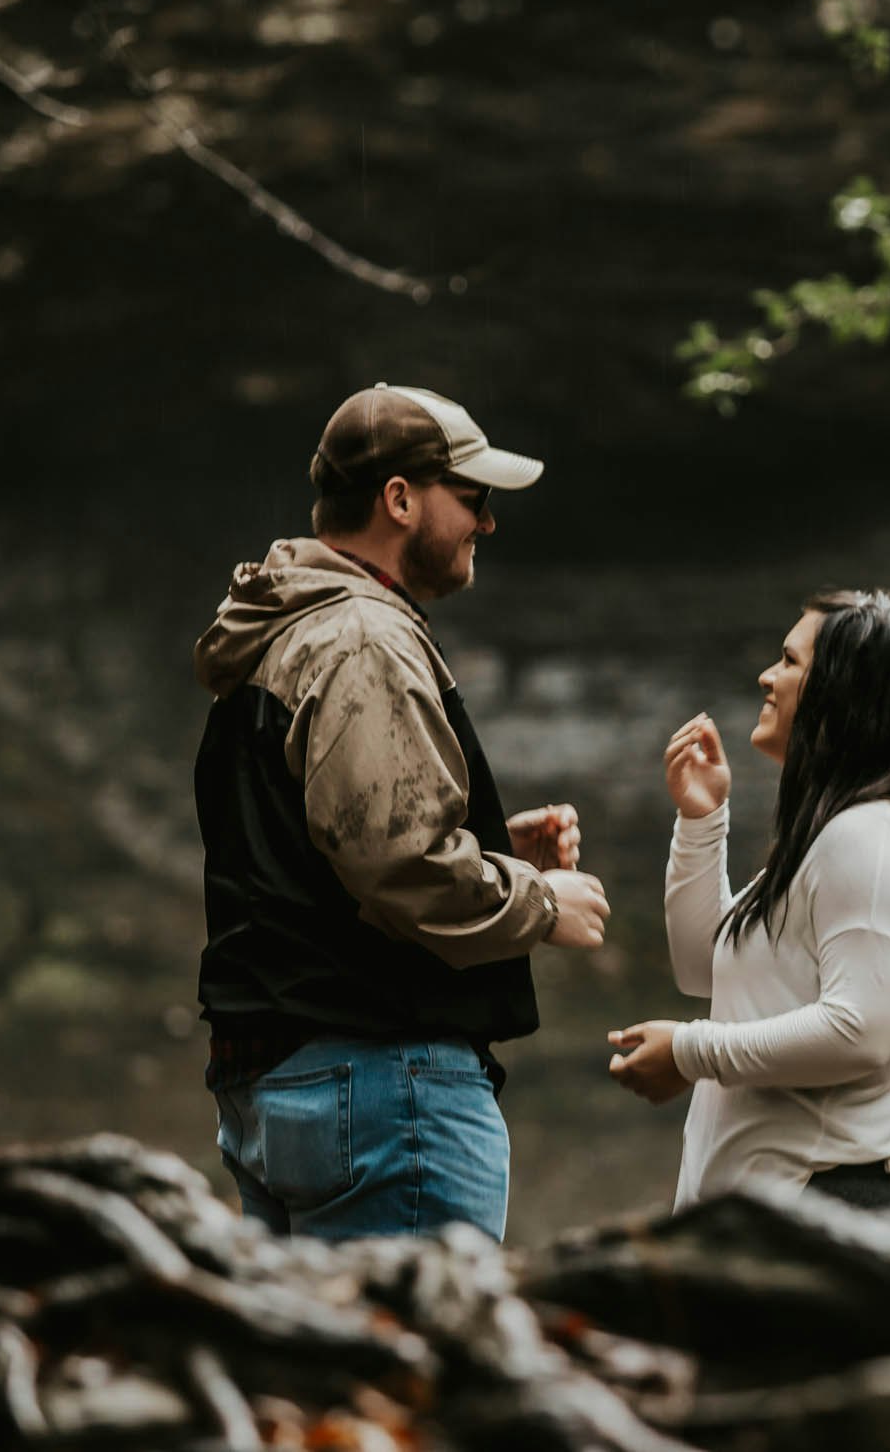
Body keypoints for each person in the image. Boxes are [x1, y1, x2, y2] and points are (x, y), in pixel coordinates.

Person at [191, 382, 610, 1243]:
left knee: (328, 1374)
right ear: (400, 499)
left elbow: (316, 848)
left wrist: (492, 847)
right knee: (428, 1371)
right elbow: (402, 867)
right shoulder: (364, 638)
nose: (487, 523)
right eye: (474, 498)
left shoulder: (279, 629)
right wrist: (538, 905)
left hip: (278, 1085)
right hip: (380, 1087)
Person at [607, 589, 890, 1211]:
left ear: (847, 691)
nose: (767, 677)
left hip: (836, 1202)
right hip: (797, 1208)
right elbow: (701, 970)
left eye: (790, 662)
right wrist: (701, 820)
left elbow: (860, 1030)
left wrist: (691, 1053)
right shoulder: (848, 835)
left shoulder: (872, 840)